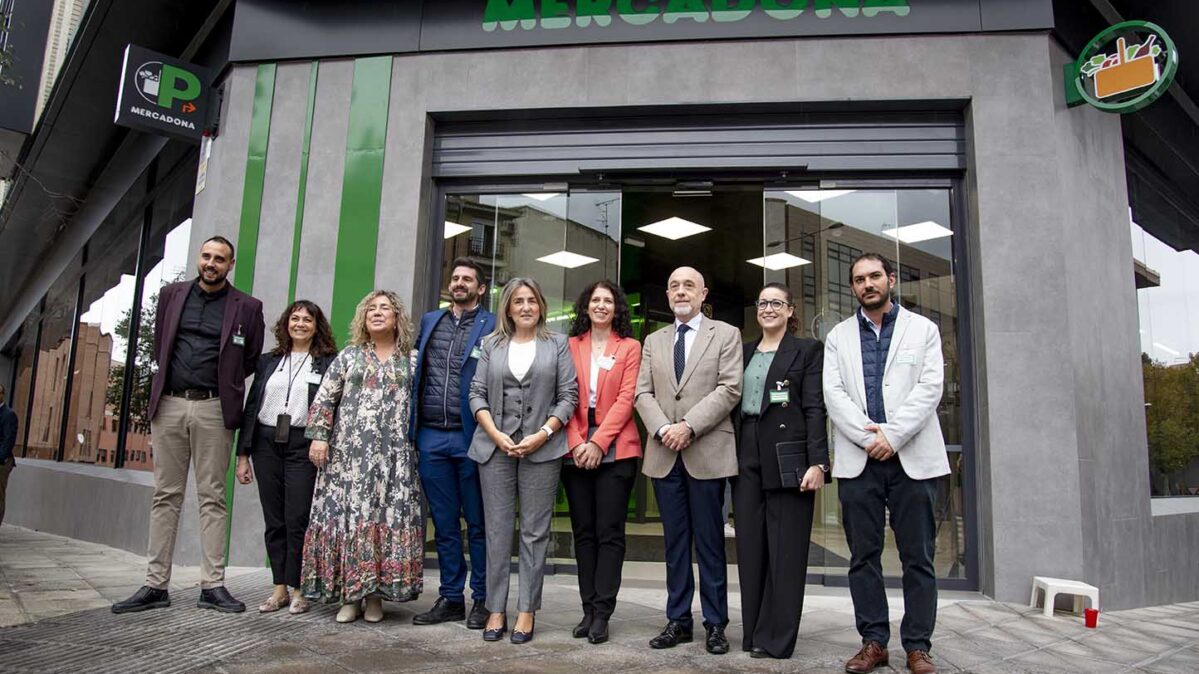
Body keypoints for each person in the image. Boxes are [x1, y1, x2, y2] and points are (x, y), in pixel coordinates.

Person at [112, 236, 265, 615]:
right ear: (199, 259)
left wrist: (224, 386)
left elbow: (249, 359)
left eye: (220, 259)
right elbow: (159, 344)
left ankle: (212, 586)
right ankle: (154, 585)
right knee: (166, 494)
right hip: (170, 405)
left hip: (214, 407)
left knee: (213, 496)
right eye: (206, 256)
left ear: (231, 265)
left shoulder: (247, 306)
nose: (211, 263)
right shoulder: (171, 295)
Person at [823, 253, 950, 674]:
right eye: (859, 280)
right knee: (863, 555)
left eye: (874, 276)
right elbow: (834, 393)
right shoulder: (839, 336)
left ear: (890, 280)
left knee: (919, 556)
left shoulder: (923, 330)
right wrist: (869, 438)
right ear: (854, 288)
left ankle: (918, 645)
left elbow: (931, 388)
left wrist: (893, 436)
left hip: (912, 458)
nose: (867, 284)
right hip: (860, 460)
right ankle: (874, 641)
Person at [634, 266, 742, 655]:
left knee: (711, 543)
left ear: (703, 294)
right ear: (667, 295)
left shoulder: (726, 334)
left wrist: (689, 427)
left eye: (689, 286)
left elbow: (730, 388)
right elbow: (642, 393)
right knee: (675, 543)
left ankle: (715, 623)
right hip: (665, 453)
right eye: (675, 286)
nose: (682, 292)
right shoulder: (653, 340)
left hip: (707, 451)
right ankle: (678, 620)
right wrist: (665, 429)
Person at [301, 290, 425, 624]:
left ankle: (375, 598)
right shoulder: (349, 357)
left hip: (395, 461)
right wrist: (319, 439)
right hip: (348, 459)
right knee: (351, 522)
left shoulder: (412, 360)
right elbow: (325, 400)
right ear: (363, 318)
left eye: (385, 308)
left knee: (385, 521)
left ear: (397, 317)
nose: (378, 312)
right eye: (371, 308)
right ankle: (350, 597)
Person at [468, 278, 578, 644]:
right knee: (497, 530)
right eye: (519, 301)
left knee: (535, 532)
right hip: (494, 447)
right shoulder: (491, 345)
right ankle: (496, 608)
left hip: (542, 449)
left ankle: (527, 609)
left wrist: (543, 434)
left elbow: (568, 397)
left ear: (541, 306)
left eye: (532, 300)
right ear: (509, 308)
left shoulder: (557, 344)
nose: (526, 307)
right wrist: (496, 434)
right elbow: (476, 393)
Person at [731, 283, 829, 659]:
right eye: (762, 303)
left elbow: (815, 407)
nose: (768, 308)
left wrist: (818, 462)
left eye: (776, 303)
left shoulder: (807, 350)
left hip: (789, 454)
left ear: (790, 310)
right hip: (746, 452)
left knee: (785, 551)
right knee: (752, 548)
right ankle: (754, 633)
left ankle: (778, 638)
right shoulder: (743, 352)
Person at [235, 300, 338, 615]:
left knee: (298, 518)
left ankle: (299, 589)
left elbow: (332, 406)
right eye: (295, 318)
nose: (301, 324)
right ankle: (278, 587)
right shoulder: (269, 361)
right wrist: (243, 455)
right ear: (286, 324)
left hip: (301, 444)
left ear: (316, 326)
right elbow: (252, 407)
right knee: (274, 519)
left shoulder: (327, 362)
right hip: (267, 442)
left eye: (308, 319)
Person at [410, 258, 495, 630]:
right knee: (442, 523)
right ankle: (449, 596)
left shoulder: (492, 325)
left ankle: (482, 598)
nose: (459, 283)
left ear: (480, 288)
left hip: (471, 435)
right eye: (455, 278)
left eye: (467, 279)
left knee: (477, 522)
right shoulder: (431, 321)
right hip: (430, 435)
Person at [563, 280, 642, 645]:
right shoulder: (569, 346)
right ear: (586, 306)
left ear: (617, 308)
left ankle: (603, 612)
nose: (601, 305)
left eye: (608, 300)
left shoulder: (629, 347)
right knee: (583, 533)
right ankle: (587, 607)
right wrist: (579, 441)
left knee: (610, 533)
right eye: (595, 299)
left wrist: (598, 441)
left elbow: (626, 400)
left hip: (617, 448)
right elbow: (561, 396)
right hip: (574, 444)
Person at [0, 384, 17, 526]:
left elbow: (8, 439)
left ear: (2, 395)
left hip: (2, 462)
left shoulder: (8, 414)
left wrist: (1, 458)